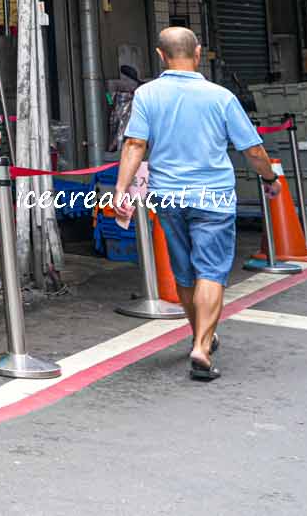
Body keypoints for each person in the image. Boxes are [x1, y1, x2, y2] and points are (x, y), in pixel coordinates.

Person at [111, 26, 281, 382]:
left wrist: (121, 190)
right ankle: (202, 346)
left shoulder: (147, 95)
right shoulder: (220, 96)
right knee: (211, 271)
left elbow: (134, 146)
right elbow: (253, 149)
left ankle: (198, 335)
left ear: (160, 56)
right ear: (198, 53)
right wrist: (269, 179)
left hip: (168, 196)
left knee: (185, 272)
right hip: (213, 197)